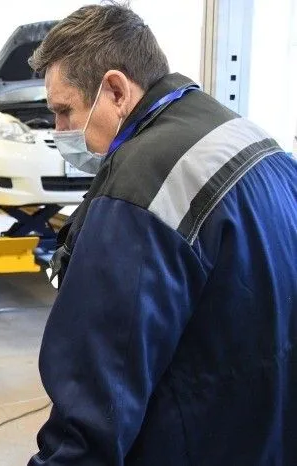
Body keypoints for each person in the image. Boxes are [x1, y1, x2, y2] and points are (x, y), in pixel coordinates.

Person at [28, 3, 297, 466]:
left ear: (115, 89)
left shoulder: (140, 188)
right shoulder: (252, 139)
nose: (60, 131)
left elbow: (95, 403)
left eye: (64, 111)